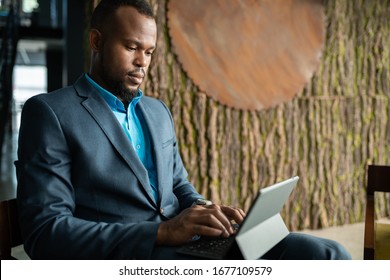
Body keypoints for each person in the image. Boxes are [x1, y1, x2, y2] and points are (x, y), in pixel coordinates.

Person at [15, 0, 351, 260]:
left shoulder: (156, 111)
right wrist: (160, 233)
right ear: (96, 41)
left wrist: (207, 210)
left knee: (327, 255)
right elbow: (46, 232)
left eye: (148, 52)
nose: (142, 62)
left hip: (192, 248)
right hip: (134, 259)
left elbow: (178, 186)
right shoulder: (50, 113)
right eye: (131, 48)